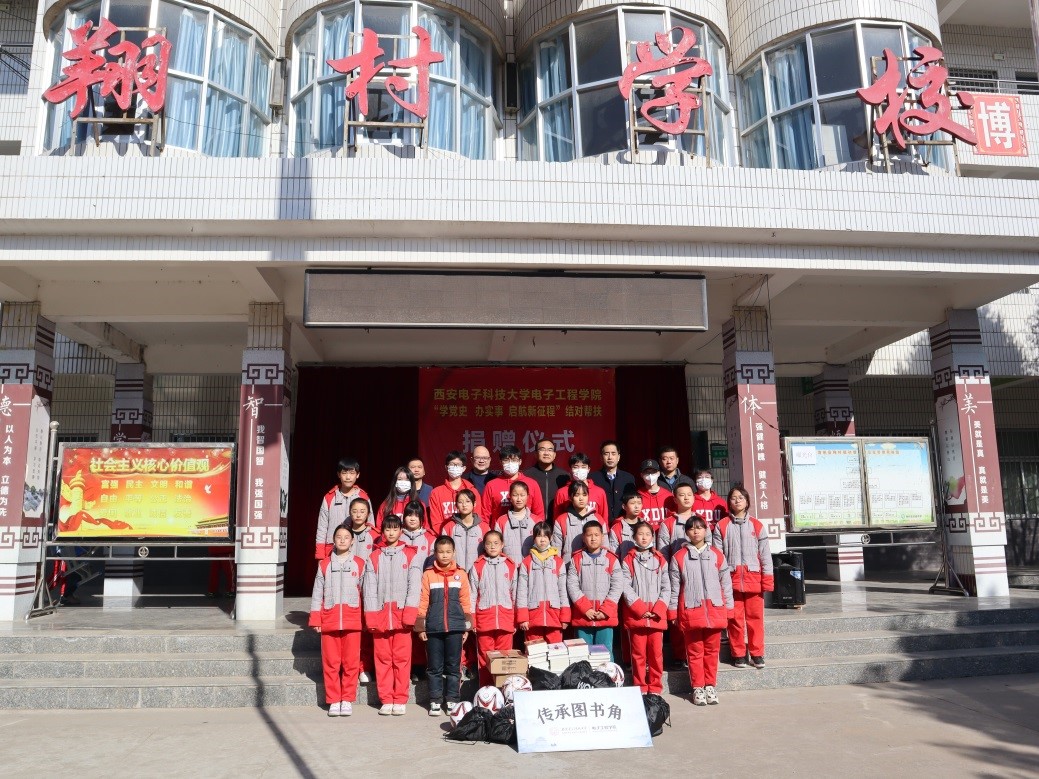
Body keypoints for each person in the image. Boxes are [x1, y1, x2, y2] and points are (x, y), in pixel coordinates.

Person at [669, 517, 734, 706]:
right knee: (694, 652)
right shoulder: (679, 557)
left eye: (699, 528)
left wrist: (729, 609)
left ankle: (710, 686)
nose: (696, 531)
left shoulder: (717, 555)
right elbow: (674, 588)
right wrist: (673, 612)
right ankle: (697, 687)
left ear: (706, 530)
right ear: (686, 533)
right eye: (691, 528)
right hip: (691, 610)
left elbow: (726, 585)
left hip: (715, 609)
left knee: (712, 651)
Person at [362, 515, 421, 715]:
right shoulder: (373, 557)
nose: (391, 532)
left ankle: (400, 698)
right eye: (387, 529)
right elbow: (369, 589)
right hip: (380, 614)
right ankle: (386, 699)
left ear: (401, 531)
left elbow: (414, 587)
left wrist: (410, 613)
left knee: (402, 660)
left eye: (395, 529)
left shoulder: (411, 555)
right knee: (383, 659)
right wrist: (371, 616)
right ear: (382, 532)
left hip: (402, 615)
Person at [713, 484, 774, 670]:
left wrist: (767, 580)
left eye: (741, 497)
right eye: (733, 498)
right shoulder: (722, 525)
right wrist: (720, 582)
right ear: (728, 502)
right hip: (731, 581)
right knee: (735, 620)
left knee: (756, 620)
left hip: (754, 580)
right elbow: (718, 557)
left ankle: (757, 654)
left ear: (747, 502)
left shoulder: (757, 525)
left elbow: (765, 555)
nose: (737, 500)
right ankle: (738, 654)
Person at [310, 524, 365, 717]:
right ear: (333, 540)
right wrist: (316, 618)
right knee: (331, 663)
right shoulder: (324, 564)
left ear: (352, 541)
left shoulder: (360, 563)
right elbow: (317, 593)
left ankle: (347, 699)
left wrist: (367, 618)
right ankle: (334, 700)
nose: (342, 540)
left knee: (351, 662)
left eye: (346, 537)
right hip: (330, 619)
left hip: (352, 620)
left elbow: (366, 593)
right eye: (339, 537)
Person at [416, 536, 473, 717]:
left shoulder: (461, 574)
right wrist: (421, 626)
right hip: (434, 628)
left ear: (454, 552)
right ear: (435, 553)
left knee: (453, 666)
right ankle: (435, 700)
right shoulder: (428, 574)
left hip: (455, 628)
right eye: (441, 552)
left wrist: (466, 627)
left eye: (448, 552)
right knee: (434, 667)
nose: (445, 555)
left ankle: (452, 700)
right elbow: (423, 600)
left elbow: (466, 601)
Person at [440, 487, 489, 680]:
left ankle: (473, 663)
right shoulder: (449, 527)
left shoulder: (484, 527)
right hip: (455, 580)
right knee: (457, 622)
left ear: (474, 504)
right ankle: (459, 663)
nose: (464, 505)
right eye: (460, 502)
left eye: (467, 501)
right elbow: (443, 552)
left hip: (477, 580)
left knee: (474, 621)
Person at [620, 522, 671, 695]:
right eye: (640, 534)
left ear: (652, 537)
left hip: (656, 616)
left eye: (648, 534)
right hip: (637, 616)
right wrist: (640, 609)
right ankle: (640, 686)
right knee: (638, 654)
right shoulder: (628, 560)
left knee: (656, 654)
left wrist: (658, 609)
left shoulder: (660, 559)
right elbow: (625, 586)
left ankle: (655, 687)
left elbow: (666, 587)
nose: (644, 537)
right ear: (634, 537)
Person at [566, 520, 623, 660]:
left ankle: (606, 674)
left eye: (596, 535)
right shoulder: (576, 559)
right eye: (589, 535)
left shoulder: (611, 559)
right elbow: (572, 585)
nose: (593, 538)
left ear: (602, 537)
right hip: (583, 615)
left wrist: (605, 610)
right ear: (583, 538)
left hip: (605, 616)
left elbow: (617, 586)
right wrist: (586, 609)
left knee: (605, 652)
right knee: (583, 654)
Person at [469, 530, 518, 685]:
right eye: (489, 543)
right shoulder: (478, 566)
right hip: (484, 620)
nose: (492, 546)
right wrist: (472, 620)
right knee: (485, 657)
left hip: (506, 619)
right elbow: (472, 595)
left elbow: (516, 595)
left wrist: (516, 620)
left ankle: (503, 690)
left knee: (504, 658)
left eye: (496, 543)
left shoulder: (510, 565)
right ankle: (486, 690)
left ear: (502, 545)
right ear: (484, 545)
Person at [516, 521, 570, 645]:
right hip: (533, 615)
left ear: (550, 538)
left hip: (554, 614)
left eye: (545, 536)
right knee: (535, 651)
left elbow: (563, 590)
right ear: (534, 538)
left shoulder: (558, 562)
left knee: (555, 650)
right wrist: (523, 617)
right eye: (539, 536)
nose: (542, 540)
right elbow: (522, 591)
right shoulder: (526, 562)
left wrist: (565, 616)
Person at [346, 497, 378, 683]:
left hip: (368, 589)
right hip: (347, 589)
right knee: (351, 632)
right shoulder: (344, 533)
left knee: (366, 632)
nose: (358, 515)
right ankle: (350, 668)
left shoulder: (375, 535)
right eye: (355, 511)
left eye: (362, 511)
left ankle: (365, 668)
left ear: (368, 514)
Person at [315, 457, 370, 559]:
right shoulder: (329, 497)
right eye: (344, 473)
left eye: (352, 473)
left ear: (358, 475)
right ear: (338, 474)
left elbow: (370, 525)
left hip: (358, 549)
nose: (348, 477)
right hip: (332, 550)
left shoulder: (363, 497)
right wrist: (320, 556)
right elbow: (322, 528)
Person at [481, 445, 544, 524]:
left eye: (514, 460)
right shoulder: (491, 485)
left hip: (528, 530)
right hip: (499, 530)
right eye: (506, 460)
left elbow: (539, 514)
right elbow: (484, 515)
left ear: (520, 461)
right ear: (500, 462)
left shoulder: (532, 484)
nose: (510, 463)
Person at [551, 480, 606, 564]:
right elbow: (556, 549)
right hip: (568, 566)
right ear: (570, 497)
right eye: (577, 495)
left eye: (584, 495)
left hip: (595, 566)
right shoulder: (561, 520)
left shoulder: (598, 519)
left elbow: (605, 546)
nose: (581, 498)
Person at [428, 451, 477, 534]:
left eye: (458, 464)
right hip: (445, 538)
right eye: (452, 464)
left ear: (464, 468)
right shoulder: (436, 493)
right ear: (446, 467)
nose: (455, 467)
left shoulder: (472, 491)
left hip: (469, 536)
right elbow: (436, 523)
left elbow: (477, 517)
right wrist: (446, 537)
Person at [551, 453, 609, 522]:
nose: (580, 470)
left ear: (588, 469)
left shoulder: (599, 492)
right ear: (570, 469)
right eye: (575, 467)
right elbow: (557, 520)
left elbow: (604, 519)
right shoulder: (561, 492)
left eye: (583, 467)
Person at [590, 440, 636, 521]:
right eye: (606, 454)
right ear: (601, 457)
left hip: (623, 523)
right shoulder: (592, 478)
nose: (610, 457)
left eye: (613, 453)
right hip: (599, 523)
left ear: (619, 457)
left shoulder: (628, 478)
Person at [496, 480, 539, 565]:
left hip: (531, 567)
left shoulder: (536, 521)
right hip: (508, 567)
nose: (519, 499)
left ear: (528, 496)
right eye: (515, 495)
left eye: (522, 495)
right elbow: (497, 548)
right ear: (510, 497)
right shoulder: (501, 521)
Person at [523, 437, 569, 509]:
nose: (546, 453)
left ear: (554, 455)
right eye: (542, 449)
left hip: (558, 516)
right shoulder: (526, 475)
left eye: (550, 450)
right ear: (536, 454)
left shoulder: (564, 476)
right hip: (533, 516)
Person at [636, 459, 673, 533]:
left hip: (665, 536)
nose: (650, 475)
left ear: (658, 473)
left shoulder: (668, 496)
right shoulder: (637, 496)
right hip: (645, 536)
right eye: (647, 472)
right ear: (641, 475)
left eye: (653, 472)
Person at [400, 500, 437, 570]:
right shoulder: (399, 537)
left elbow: (432, 563)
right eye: (409, 515)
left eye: (416, 516)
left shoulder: (430, 539)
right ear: (404, 517)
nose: (412, 519)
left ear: (422, 518)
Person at [608, 492, 644, 562]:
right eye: (632, 503)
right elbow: (614, 554)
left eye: (639, 503)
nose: (636, 506)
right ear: (624, 506)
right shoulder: (616, 529)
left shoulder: (647, 526)